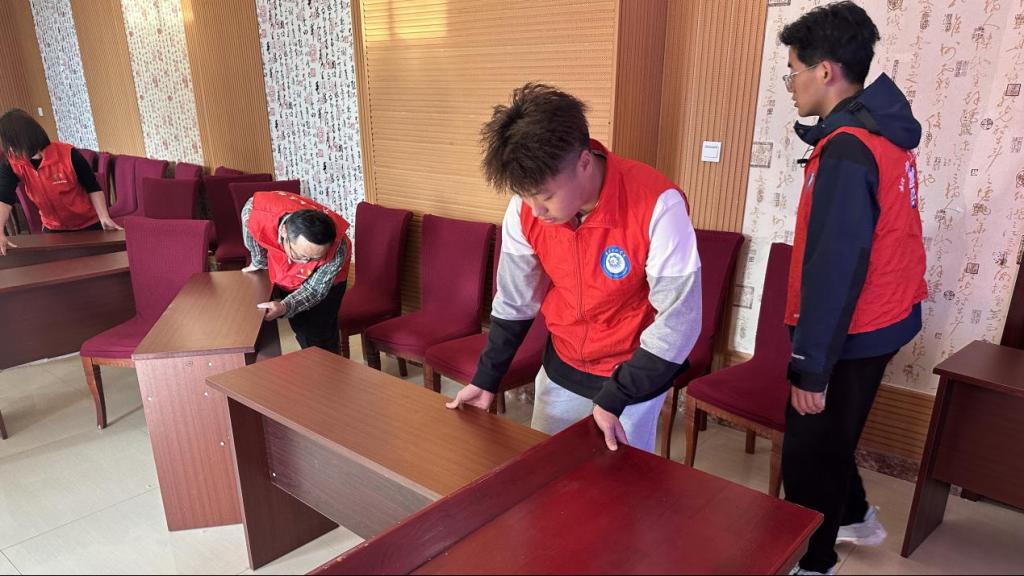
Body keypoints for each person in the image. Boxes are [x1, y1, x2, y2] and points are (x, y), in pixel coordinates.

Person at [446, 83, 702, 454]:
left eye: (546, 196)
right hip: (563, 365)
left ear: (584, 162)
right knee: (548, 470)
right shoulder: (525, 209)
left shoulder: (657, 204)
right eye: (526, 197)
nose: (536, 211)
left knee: (620, 480)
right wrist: (487, 377)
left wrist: (618, 396)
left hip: (632, 373)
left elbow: (680, 321)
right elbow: (515, 301)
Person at [779, 2, 927, 574]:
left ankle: (814, 561)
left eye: (793, 71)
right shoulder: (880, 134)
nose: (791, 85)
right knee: (835, 435)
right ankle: (857, 514)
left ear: (825, 71)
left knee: (809, 451)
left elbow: (834, 267)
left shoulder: (848, 148)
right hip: (884, 317)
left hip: (856, 328)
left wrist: (811, 367)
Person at [240, 191, 351, 353]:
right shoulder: (255, 213)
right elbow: (251, 231)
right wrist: (259, 260)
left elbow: (314, 290)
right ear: (284, 232)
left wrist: (285, 306)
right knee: (300, 326)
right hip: (286, 272)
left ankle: (328, 365)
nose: (305, 262)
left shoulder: (338, 248)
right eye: (301, 256)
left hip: (326, 283)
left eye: (314, 258)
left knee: (319, 336)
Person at [0, 108, 120, 255]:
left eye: (13, 144)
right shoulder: (12, 163)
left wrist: (104, 217)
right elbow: (4, 199)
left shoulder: (69, 154)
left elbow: (93, 187)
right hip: (53, 228)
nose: (11, 150)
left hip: (87, 224)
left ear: (28, 138)